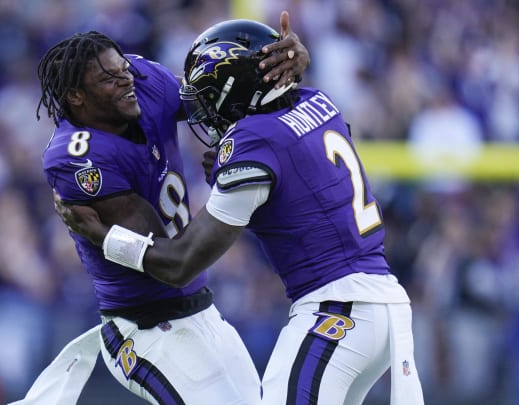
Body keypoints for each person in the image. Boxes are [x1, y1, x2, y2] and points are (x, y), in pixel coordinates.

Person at [56, 19, 425, 405]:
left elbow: (180, 263)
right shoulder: (318, 101)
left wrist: (100, 235)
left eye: (210, 96)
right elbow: (299, 173)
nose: (205, 112)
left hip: (337, 310)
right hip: (385, 305)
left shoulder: (253, 142)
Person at [14, 12, 310, 405]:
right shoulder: (78, 156)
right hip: (145, 329)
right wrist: (235, 188)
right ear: (76, 97)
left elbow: (221, 94)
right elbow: (168, 263)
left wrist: (282, 67)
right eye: (108, 79)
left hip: (202, 311)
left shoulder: (142, 81)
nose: (126, 81)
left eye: (123, 69)